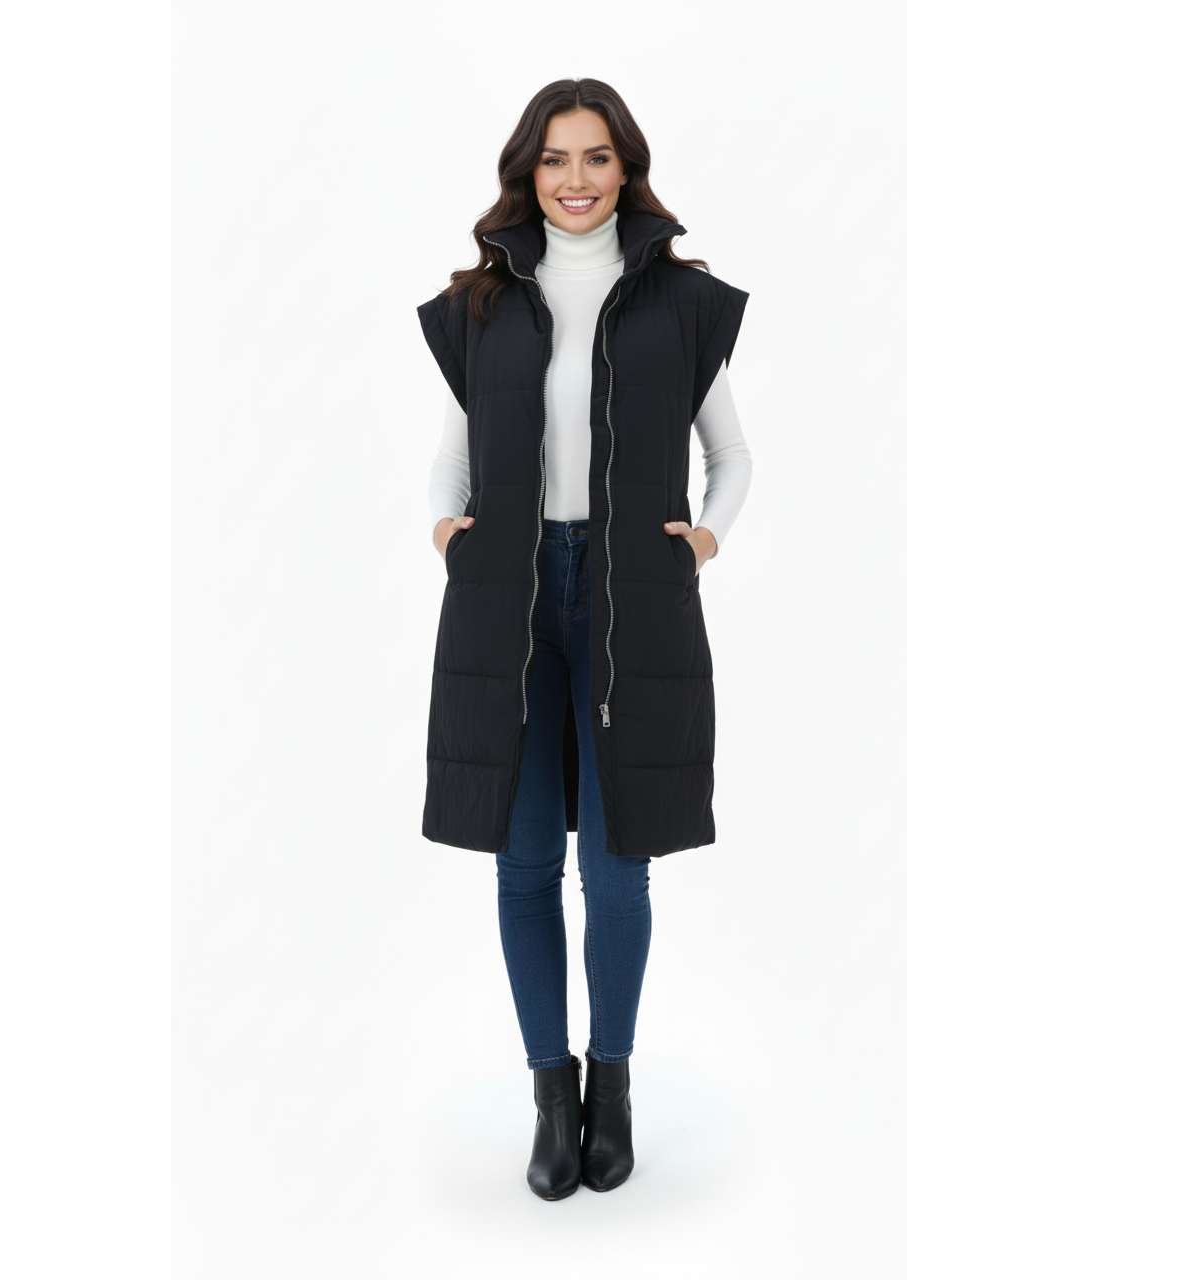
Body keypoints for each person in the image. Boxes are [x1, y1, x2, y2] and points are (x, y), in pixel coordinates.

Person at [418, 78, 752, 1200]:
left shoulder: (678, 301)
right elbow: (453, 452)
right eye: (554, 158)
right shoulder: (483, 302)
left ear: (625, 168)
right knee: (522, 862)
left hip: (634, 599)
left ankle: (612, 1085)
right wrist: (446, 531)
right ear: (528, 170)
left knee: (617, 865)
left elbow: (730, 452)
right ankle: (549, 1098)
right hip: (507, 599)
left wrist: (704, 539)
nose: (575, 179)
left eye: (596, 157)